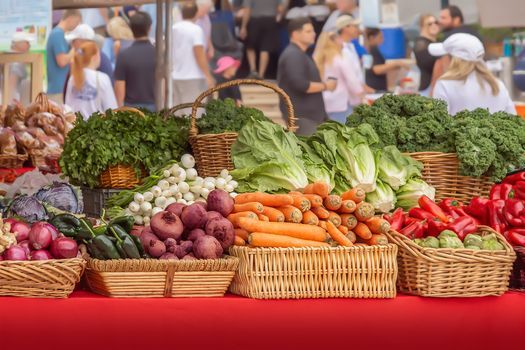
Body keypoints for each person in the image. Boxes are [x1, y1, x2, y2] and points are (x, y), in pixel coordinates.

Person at [430, 33, 516, 115]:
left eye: (443, 56)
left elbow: (438, 122)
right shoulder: (497, 84)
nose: (440, 60)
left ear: (452, 59)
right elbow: (514, 120)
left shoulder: (444, 84)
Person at [277, 17, 336, 135]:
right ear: (295, 34)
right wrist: (326, 86)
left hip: (310, 117)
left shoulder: (300, 54)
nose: (314, 34)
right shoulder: (293, 55)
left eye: (313, 31)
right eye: (308, 31)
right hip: (303, 118)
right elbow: (301, 85)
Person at [172, 2, 214, 115]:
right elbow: (199, 54)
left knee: (178, 112)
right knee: (195, 113)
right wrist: (208, 75)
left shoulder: (173, 28)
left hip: (175, 75)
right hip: (194, 77)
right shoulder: (196, 30)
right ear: (196, 13)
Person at [313, 32, 363, 123]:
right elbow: (351, 79)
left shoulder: (318, 59)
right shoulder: (338, 58)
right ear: (334, 41)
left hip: (324, 102)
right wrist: (359, 94)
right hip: (341, 102)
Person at [114, 11, 156, 111]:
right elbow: (163, 85)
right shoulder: (158, 54)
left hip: (130, 109)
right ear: (149, 28)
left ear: (131, 29)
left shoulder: (123, 55)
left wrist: (120, 110)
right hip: (155, 105)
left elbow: (119, 88)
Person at [64, 42, 117, 119]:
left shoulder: (73, 78)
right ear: (94, 57)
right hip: (97, 129)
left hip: (75, 128)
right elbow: (112, 109)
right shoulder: (102, 78)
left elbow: (67, 108)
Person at [240, 0, 285, 79]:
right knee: (265, 48)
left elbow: (247, 10)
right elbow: (280, 9)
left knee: (250, 46)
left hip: (254, 20)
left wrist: (243, 26)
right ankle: (261, 74)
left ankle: (253, 70)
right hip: (270, 20)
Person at [46, 9, 82, 104]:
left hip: (58, 88)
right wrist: (74, 49)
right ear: (70, 18)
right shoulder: (58, 34)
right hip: (55, 90)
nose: (76, 26)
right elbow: (61, 61)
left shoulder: (57, 34)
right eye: (77, 22)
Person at [335, 15, 373, 94]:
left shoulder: (351, 46)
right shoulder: (340, 49)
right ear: (345, 28)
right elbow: (350, 78)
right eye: (355, 26)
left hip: (357, 94)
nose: (357, 29)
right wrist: (361, 91)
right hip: (348, 97)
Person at [364, 27, 407, 91]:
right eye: (380, 37)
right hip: (375, 88)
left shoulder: (372, 50)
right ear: (372, 38)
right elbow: (376, 69)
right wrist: (396, 63)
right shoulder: (372, 50)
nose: (382, 40)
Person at [414, 14, 440, 95]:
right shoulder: (421, 43)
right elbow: (428, 64)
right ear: (422, 27)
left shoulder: (434, 42)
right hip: (428, 89)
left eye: (436, 22)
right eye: (429, 24)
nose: (434, 25)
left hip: (436, 88)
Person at [7, 32, 34, 105]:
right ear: (18, 44)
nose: (29, 46)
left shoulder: (9, 58)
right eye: (27, 43)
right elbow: (11, 86)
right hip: (14, 104)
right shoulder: (17, 62)